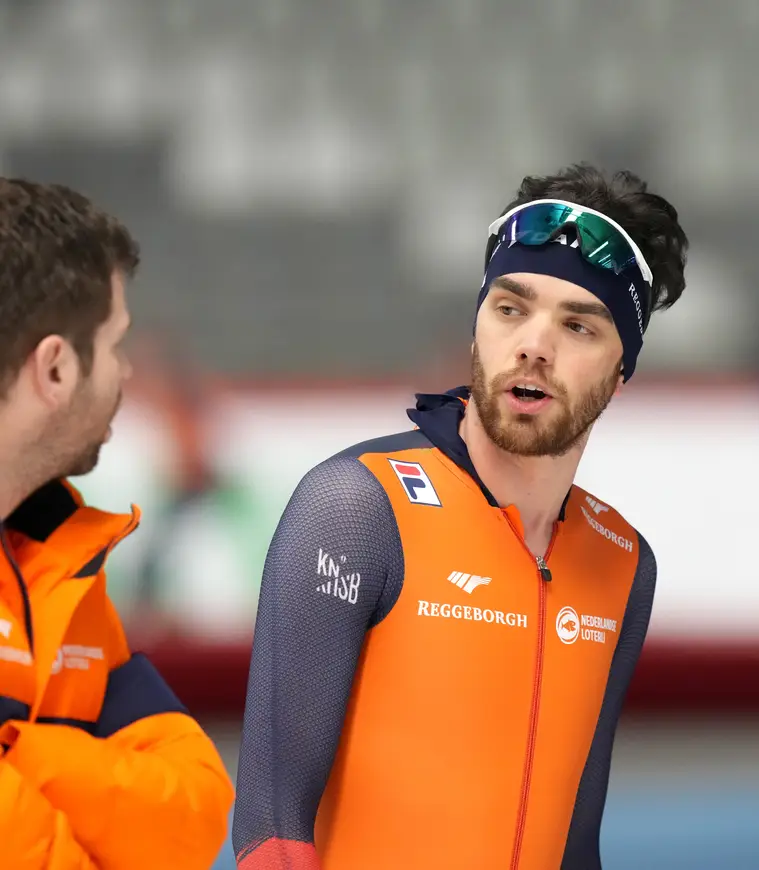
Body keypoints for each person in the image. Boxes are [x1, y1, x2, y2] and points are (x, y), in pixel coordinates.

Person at [233, 163, 689, 869]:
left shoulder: (624, 562)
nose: (534, 344)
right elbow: (271, 833)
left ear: (620, 372)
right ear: (476, 331)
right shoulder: (357, 509)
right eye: (510, 309)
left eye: (578, 326)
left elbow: (576, 846)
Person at [0, 179, 234, 869]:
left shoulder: (63, 567)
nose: (126, 372)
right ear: (55, 368)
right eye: (114, 345)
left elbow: (193, 814)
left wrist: (19, 748)